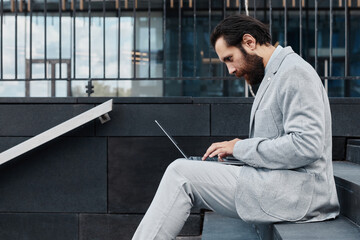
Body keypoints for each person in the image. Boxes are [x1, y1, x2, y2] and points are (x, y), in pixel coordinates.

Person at [132, 14, 340, 240]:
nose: (230, 70)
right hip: (282, 184)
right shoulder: (274, 75)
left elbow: (306, 145)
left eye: (229, 58)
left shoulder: (294, 72)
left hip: (300, 195)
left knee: (180, 174)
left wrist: (239, 148)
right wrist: (234, 156)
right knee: (183, 168)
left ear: (250, 42)